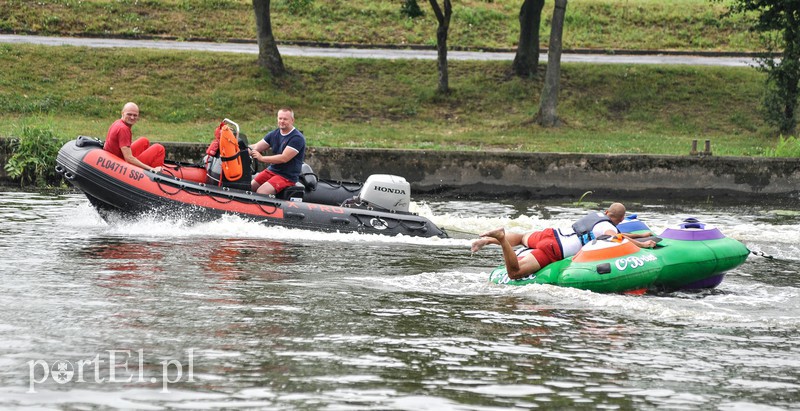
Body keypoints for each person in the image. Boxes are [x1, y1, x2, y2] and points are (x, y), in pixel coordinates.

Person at [471, 203, 657, 280]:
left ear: (607, 212)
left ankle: (486, 241)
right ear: (621, 219)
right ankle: (501, 238)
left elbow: (614, 233)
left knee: (521, 238)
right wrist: (643, 244)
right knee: (515, 272)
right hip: (555, 249)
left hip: (551, 234)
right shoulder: (608, 227)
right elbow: (616, 237)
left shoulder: (597, 217)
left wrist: (638, 235)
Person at [248, 107, 306, 195]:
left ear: (292, 120)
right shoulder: (274, 134)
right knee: (250, 187)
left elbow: (284, 158)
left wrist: (262, 158)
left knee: (262, 192)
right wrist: (239, 149)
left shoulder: (297, 138)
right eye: (280, 118)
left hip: (286, 176)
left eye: (285, 119)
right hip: (272, 170)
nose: (282, 121)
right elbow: (256, 146)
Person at [103, 102, 165, 173]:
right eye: (129, 114)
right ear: (122, 113)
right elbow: (128, 158)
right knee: (159, 148)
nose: (132, 117)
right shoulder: (123, 129)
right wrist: (151, 169)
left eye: (135, 115)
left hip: (115, 157)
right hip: (120, 163)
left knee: (144, 141)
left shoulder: (118, 122)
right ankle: (156, 175)